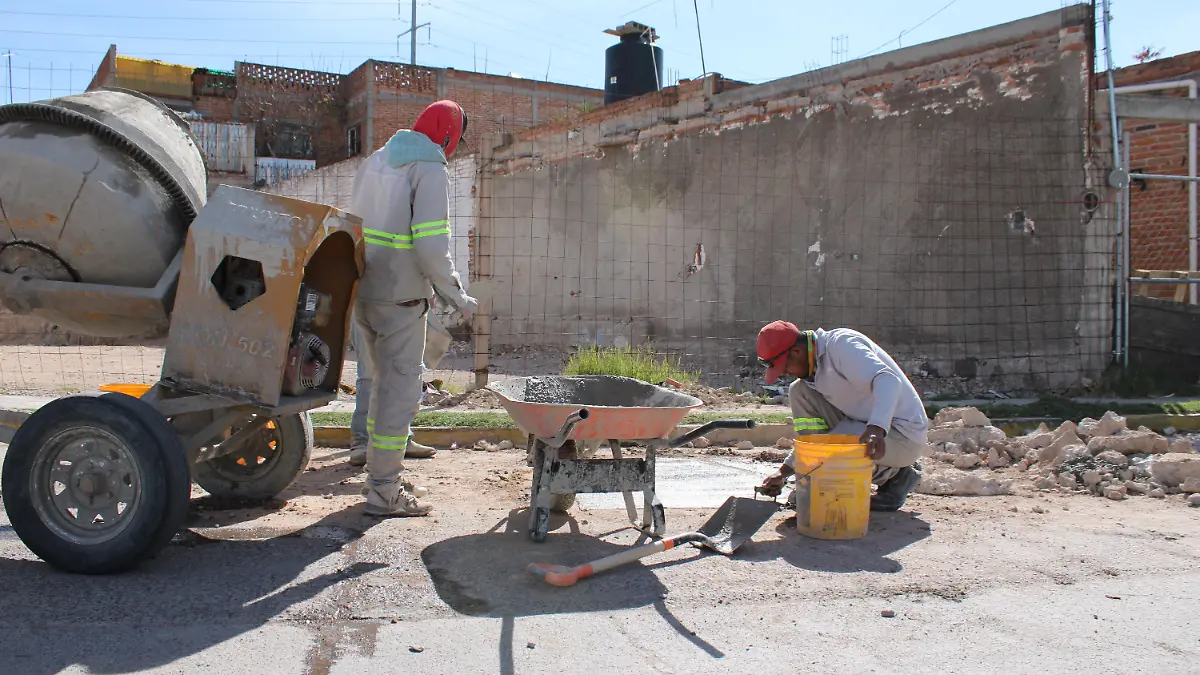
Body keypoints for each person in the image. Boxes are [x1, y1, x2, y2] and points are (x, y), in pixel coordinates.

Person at [349, 100, 476, 517]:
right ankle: (384, 492)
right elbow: (430, 243)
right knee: (398, 394)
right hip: (401, 296)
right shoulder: (429, 168)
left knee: (377, 385)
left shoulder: (376, 160)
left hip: (362, 289)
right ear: (447, 133)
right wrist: (457, 295)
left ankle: (378, 475)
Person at [755, 321, 928, 512]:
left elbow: (888, 380)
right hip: (861, 425)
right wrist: (783, 472)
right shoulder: (813, 371)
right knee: (799, 390)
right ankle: (875, 472)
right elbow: (814, 442)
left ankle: (895, 476)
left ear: (796, 352)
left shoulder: (842, 345)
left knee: (812, 495)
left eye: (785, 368)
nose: (785, 373)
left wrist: (877, 427)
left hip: (901, 435)